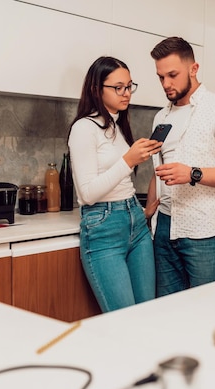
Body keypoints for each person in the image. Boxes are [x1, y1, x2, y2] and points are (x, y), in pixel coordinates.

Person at [146, 37, 215, 297]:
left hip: (205, 232)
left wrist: (192, 173)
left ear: (194, 69)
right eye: (161, 77)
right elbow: (157, 172)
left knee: (205, 312)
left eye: (172, 75)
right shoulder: (161, 117)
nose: (166, 84)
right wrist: (147, 215)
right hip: (163, 230)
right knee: (168, 315)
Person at [68, 56, 161, 312]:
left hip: (135, 222)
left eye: (129, 86)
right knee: (124, 321)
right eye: (118, 87)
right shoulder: (84, 128)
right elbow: (87, 194)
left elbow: (118, 184)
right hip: (103, 227)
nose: (126, 93)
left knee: (146, 313)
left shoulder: (117, 125)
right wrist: (128, 160)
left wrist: (138, 212)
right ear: (96, 89)